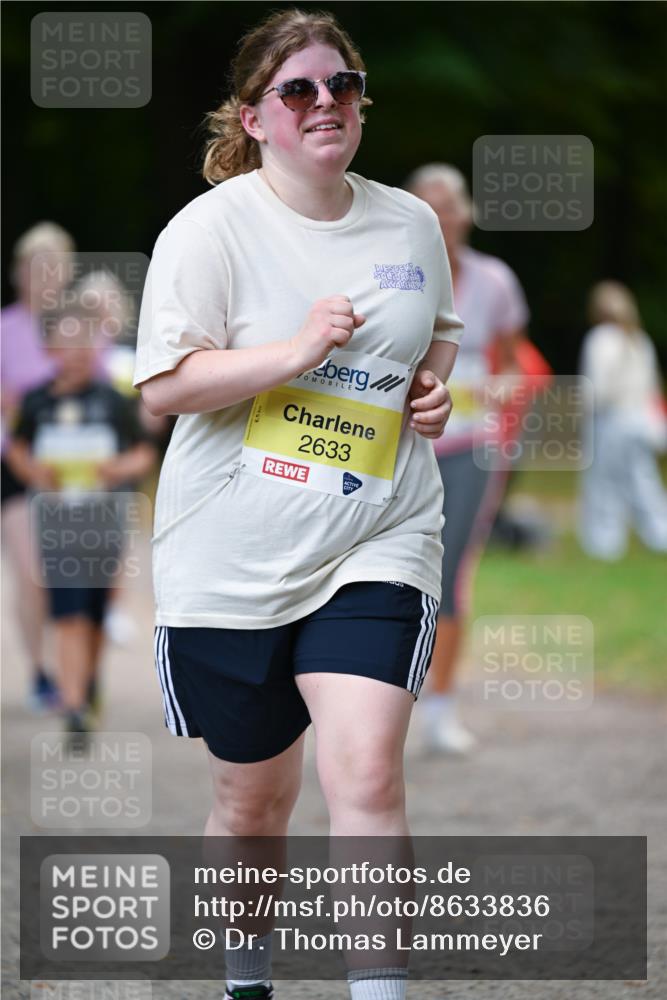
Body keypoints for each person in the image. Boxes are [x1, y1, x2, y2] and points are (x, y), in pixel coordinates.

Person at [133, 9, 463, 1000]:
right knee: (251, 804)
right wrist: (294, 352)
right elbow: (163, 387)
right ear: (256, 116)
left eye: (345, 85)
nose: (328, 103)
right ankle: (245, 979)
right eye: (301, 90)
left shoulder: (407, 221)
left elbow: (433, 334)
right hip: (232, 558)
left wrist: (431, 391)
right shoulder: (209, 230)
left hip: (378, 532)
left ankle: (379, 989)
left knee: (364, 772)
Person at [404, 164, 531, 754]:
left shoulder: (496, 280)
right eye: (427, 206)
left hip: (472, 447)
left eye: (449, 205)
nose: (441, 217)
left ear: (467, 212)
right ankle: (379, 699)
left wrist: (500, 388)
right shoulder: (394, 278)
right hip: (400, 446)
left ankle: (442, 707)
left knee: (450, 572)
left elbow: (510, 361)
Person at [7, 306, 156, 743]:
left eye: (85, 342)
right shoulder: (36, 401)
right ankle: (73, 706)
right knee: (66, 612)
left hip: (104, 523)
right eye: (67, 342)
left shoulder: (113, 401)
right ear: (50, 349)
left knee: (92, 613)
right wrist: (35, 472)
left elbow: (144, 452)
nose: (76, 352)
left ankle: (87, 684)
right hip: (55, 524)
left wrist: (119, 467)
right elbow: (16, 450)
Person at [1, 222, 75, 711]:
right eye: (34, 266)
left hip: (79, 467)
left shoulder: (81, 328)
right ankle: (39, 673)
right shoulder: (6, 329)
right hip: (18, 464)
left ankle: (77, 671)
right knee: (31, 572)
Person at [577, 280, 667, 559]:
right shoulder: (639, 340)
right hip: (641, 421)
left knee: (604, 484)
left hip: (611, 421)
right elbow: (653, 386)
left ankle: (605, 545)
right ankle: (660, 534)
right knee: (644, 481)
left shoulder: (601, 338)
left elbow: (596, 389)